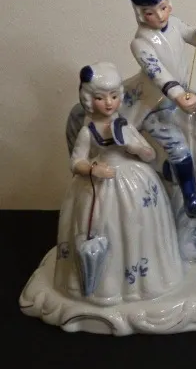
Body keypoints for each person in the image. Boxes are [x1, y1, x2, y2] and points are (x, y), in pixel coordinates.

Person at [54, 62, 183, 306]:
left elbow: (149, 154)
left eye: (114, 96)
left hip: (134, 181)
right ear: (89, 100)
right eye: (101, 98)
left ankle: (143, 280)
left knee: (137, 227)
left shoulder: (125, 126)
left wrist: (134, 147)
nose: (109, 103)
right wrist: (93, 169)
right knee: (106, 226)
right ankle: (104, 284)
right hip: (99, 185)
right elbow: (76, 162)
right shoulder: (88, 131)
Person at [122, 0, 196, 218]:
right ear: (140, 14)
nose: (159, 16)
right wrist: (177, 96)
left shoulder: (174, 24)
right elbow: (157, 73)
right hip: (155, 103)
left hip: (183, 95)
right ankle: (191, 199)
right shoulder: (140, 43)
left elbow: (192, 36)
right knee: (178, 146)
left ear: (169, 4)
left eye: (163, 8)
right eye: (150, 13)